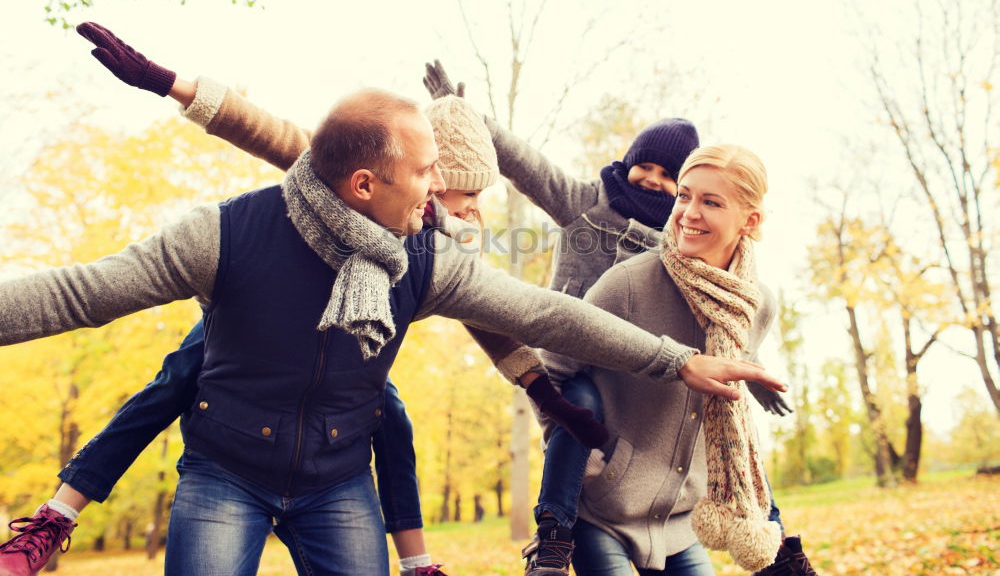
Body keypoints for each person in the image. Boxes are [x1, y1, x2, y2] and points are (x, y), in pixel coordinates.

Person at [0, 52, 784, 575]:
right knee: (183, 367)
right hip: (229, 461)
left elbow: (542, 315)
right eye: (430, 173)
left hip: (335, 475)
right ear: (366, 185)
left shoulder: (426, 256)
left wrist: (673, 361)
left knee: (391, 417)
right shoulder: (233, 230)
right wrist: (180, 86)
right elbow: (78, 292)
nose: (447, 193)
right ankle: (62, 510)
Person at [418, 63, 798, 574]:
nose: (655, 182)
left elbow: (723, 331)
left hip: (649, 386)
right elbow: (525, 164)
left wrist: (754, 368)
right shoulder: (587, 209)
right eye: (648, 168)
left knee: (734, 425)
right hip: (575, 368)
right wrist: (468, 120)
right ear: (628, 161)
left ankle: (773, 540)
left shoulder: (694, 254)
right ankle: (554, 529)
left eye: (671, 178)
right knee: (582, 402)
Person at [535, 144, 816, 575]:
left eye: (711, 202)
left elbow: (731, 409)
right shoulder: (627, 284)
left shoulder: (757, 303)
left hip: (678, 522)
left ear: (751, 220)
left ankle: (776, 554)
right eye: (684, 195)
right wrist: (583, 453)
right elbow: (553, 371)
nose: (688, 213)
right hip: (602, 513)